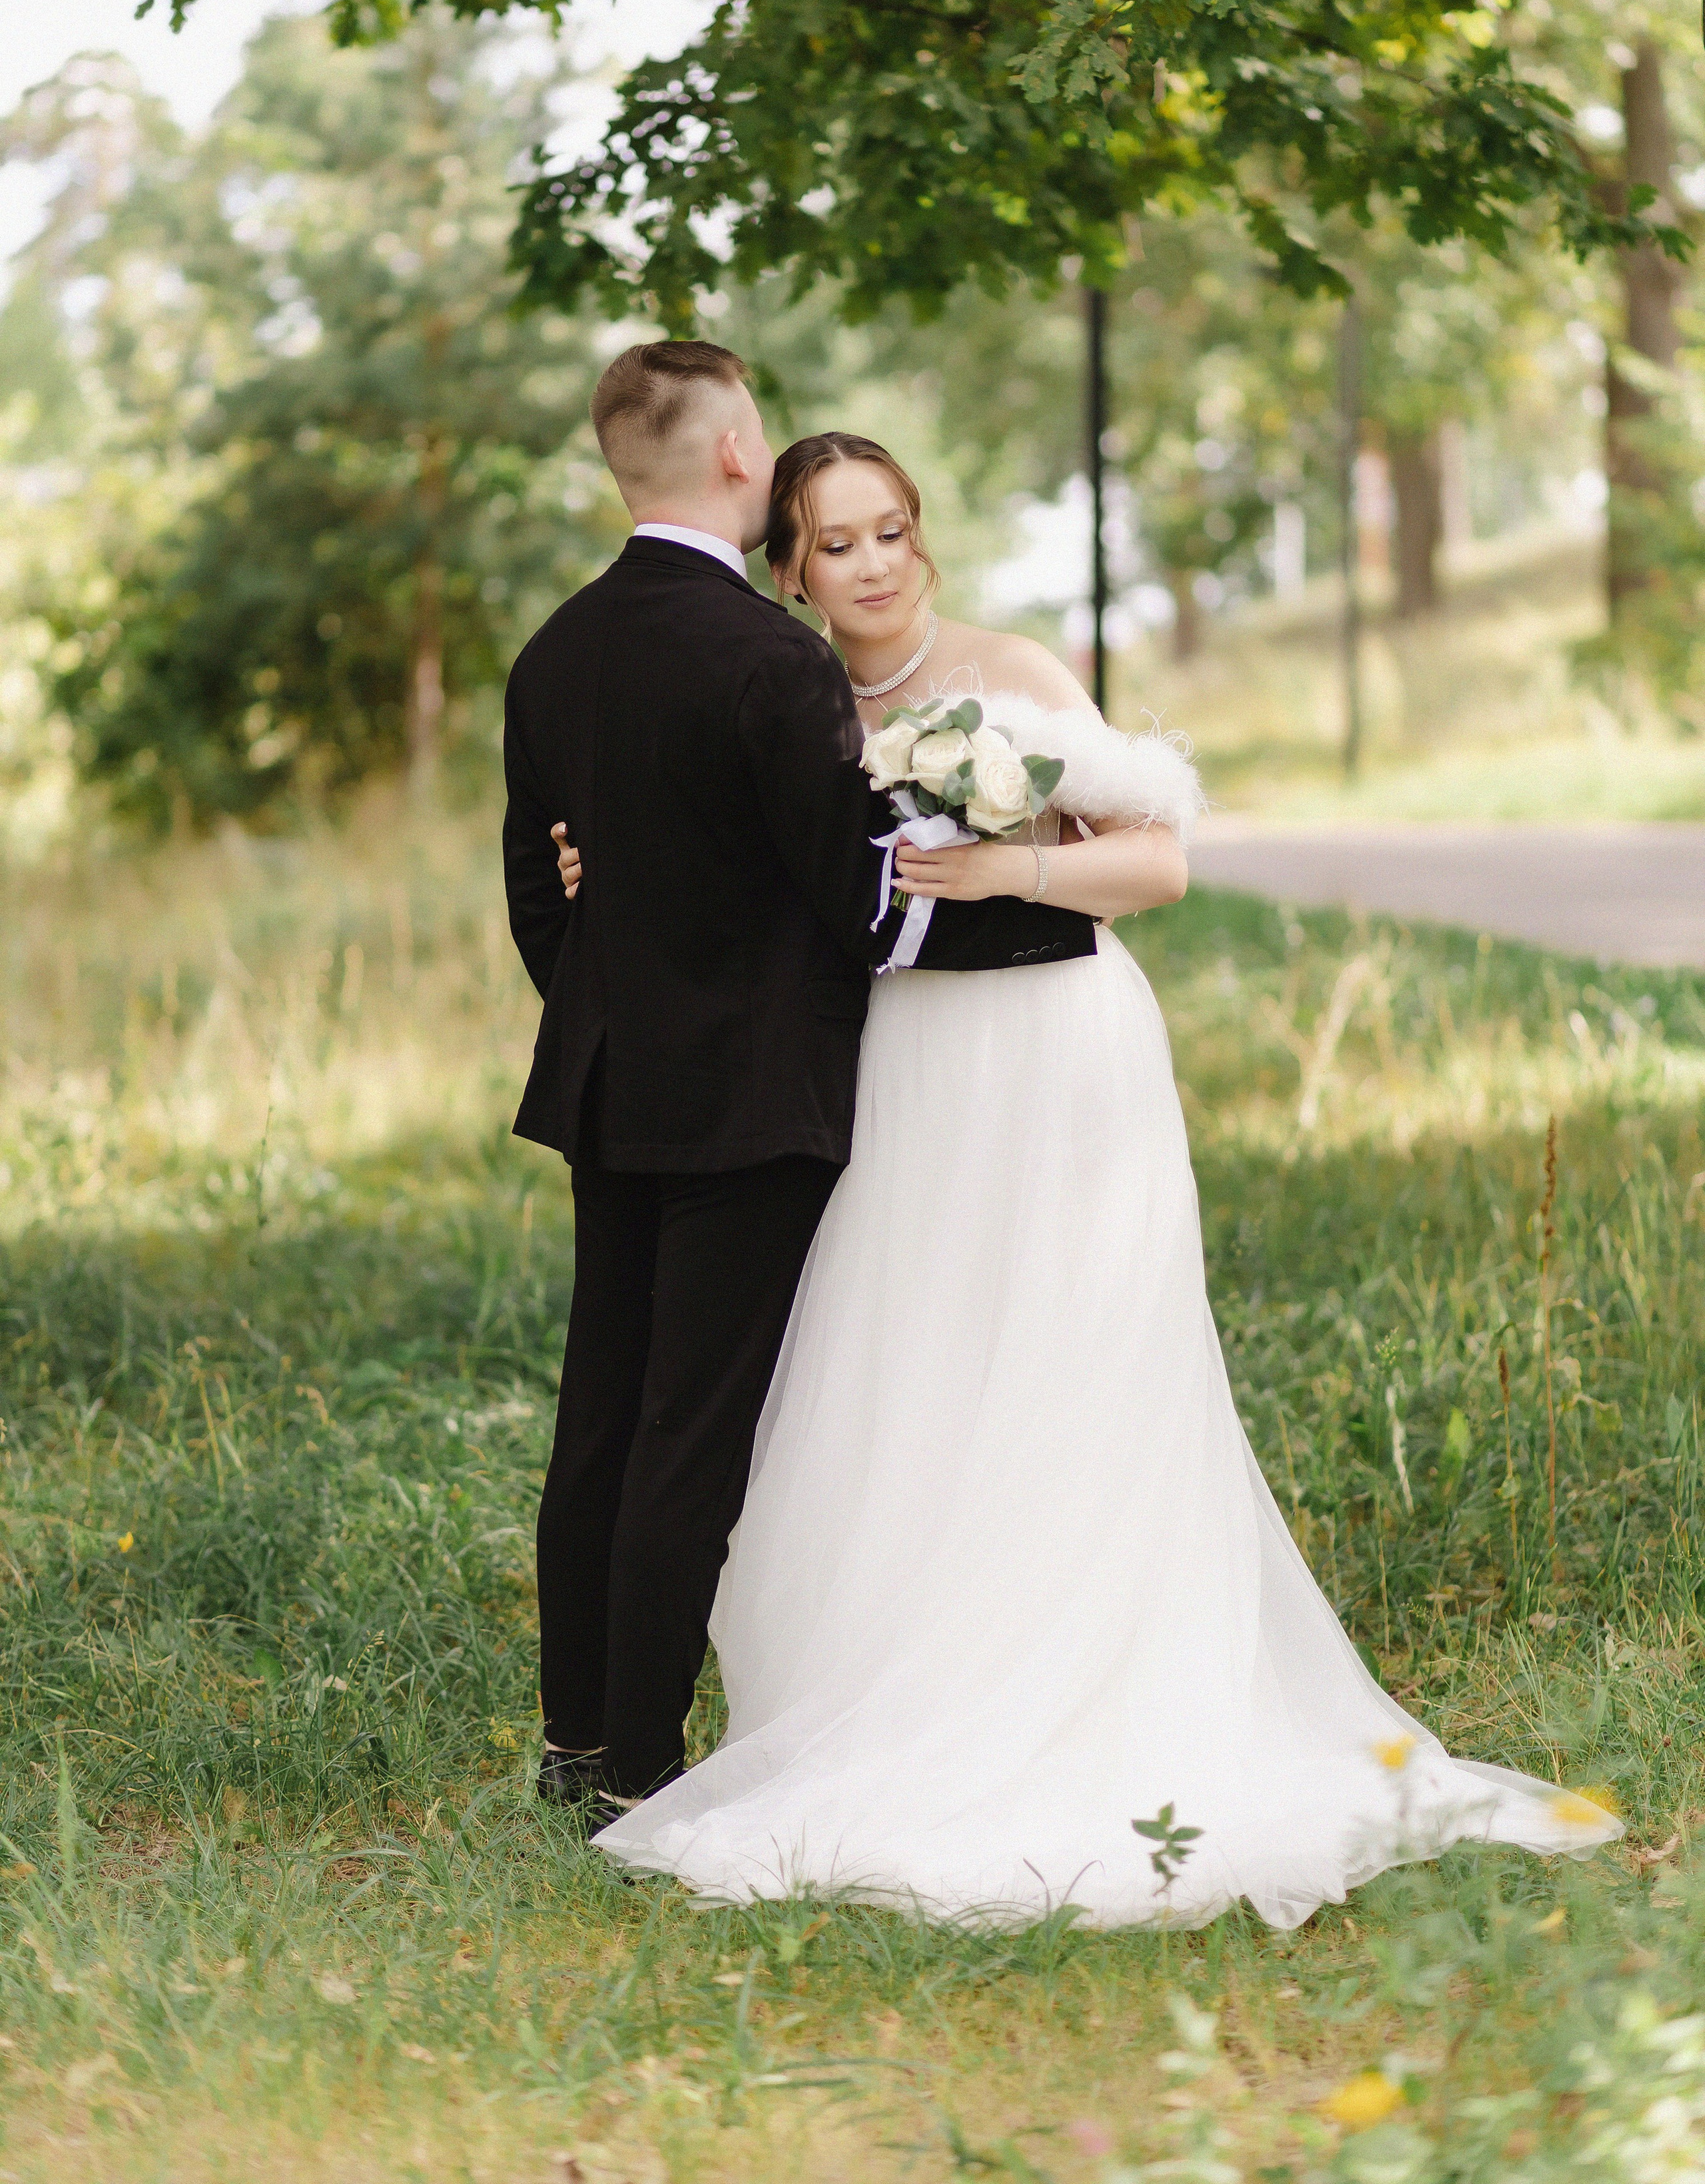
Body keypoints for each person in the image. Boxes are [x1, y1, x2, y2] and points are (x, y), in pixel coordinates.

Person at [572, 430, 1623, 1928]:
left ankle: (1093, 1677)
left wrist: (1014, 869)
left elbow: (1159, 860)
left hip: (1057, 1055)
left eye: (887, 533)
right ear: (789, 569)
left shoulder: (1009, 672)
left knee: (1072, 1355)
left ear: (918, 539)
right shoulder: (792, 702)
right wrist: (587, 870)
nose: (867, 566)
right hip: (892, 1072)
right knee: (911, 1368)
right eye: (831, 544)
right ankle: (905, 1681)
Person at [502, 348, 1101, 1819]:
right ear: (729, 461)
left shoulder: (554, 652)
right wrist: (1031, 918)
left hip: (608, 1087)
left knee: (600, 1414)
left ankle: (574, 1730)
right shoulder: (769, 662)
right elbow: (860, 908)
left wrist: (618, 994)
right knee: (689, 1432)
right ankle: (637, 1770)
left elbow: (541, 897)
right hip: (752, 1106)